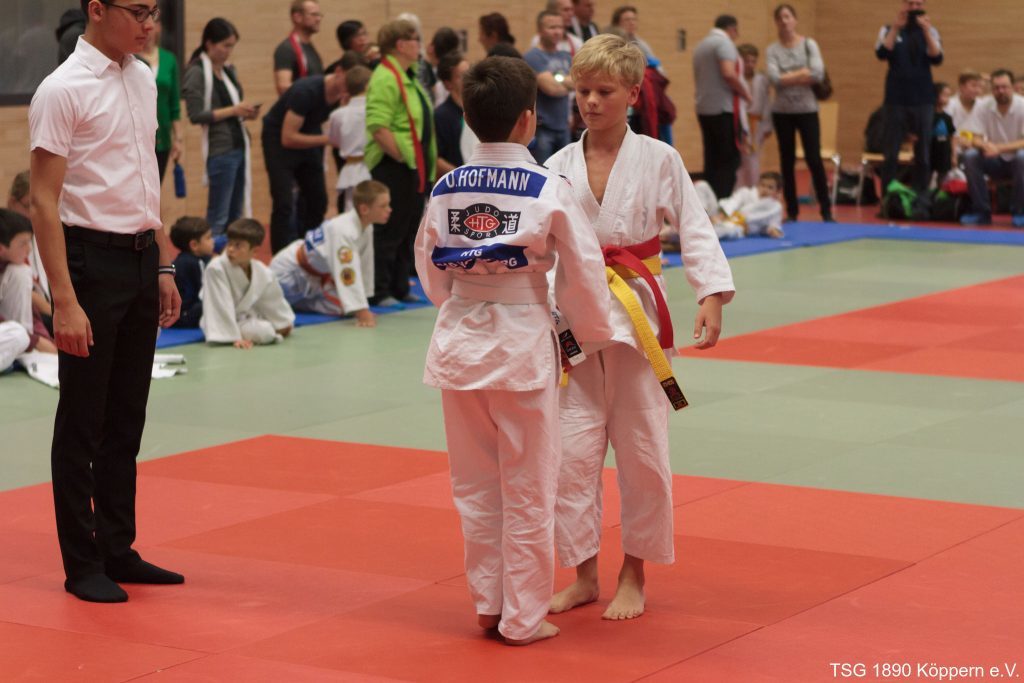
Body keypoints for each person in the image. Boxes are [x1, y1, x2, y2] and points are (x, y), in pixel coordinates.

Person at [415, 55, 613, 645]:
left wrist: (463, 301)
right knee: (528, 486)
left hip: (458, 343)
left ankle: (489, 604)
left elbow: (430, 269)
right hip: (522, 343)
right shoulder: (549, 186)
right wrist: (588, 335)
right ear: (529, 119)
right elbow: (583, 272)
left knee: (476, 486)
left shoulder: (447, 186)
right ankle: (523, 618)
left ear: (468, 119)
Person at [544, 34, 734, 621]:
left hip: (638, 317)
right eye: (582, 91)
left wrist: (710, 293)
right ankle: (583, 575)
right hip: (574, 322)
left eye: (603, 91)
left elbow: (695, 226)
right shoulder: (556, 165)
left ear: (632, 93)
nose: (590, 102)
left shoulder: (658, 158)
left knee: (642, 449)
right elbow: (539, 245)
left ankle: (634, 572)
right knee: (571, 455)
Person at [29, 0, 183, 603]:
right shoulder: (61, 89)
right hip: (89, 263)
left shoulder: (141, 78)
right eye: (139, 11)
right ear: (97, 9)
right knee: (83, 421)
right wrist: (64, 301)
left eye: (155, 12)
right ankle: (82, 561)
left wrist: (163, 263)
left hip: (142, 257)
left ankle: (119, 547)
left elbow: (147, 179)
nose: (150, 25)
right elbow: (44, 202)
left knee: (126, 417)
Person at [365, 19, 437, 307]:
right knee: (390, 227)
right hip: (395, 165)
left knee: (408, 227)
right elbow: (378, 126)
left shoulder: (408, 77)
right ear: (400, 44)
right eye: (415, 40)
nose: (419, 46)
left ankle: (399, 285)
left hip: (413, 166)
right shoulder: (385, 77)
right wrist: (402, 158)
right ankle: (379, 289)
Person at [271, 180, 390, 327]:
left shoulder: (366, 227)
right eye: (383, 206)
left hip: (315, 278)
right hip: (288, 273)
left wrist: (364, 302)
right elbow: (347, 272)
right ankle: (288, 302)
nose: (389, 210)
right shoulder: (343, 230)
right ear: (364, 209)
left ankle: (297, 302)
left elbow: (365, 265)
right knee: (271, 307)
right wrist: (361, 310)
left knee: (345, 307)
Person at [182, 18, 258, 245]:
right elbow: (196, 115)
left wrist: (245, 112)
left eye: (232, 46)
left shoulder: (228, 71)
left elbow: (233, 107)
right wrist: (234, 110)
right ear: (209, 43)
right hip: (221, 149)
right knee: (219, 216)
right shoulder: (196, 71)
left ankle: (232, 259)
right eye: (225, 45)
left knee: (236, 216)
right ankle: (210, 260)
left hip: (239, 145)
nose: (228, 51)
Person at [262, 68, 347, 254]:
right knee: (284, 202)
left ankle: (308, 251)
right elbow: (287, 138)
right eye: (348, 82)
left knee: (318, 200)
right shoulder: (306, 91)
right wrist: (328, 139)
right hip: (278, 140)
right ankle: (281, 256)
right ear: (339, 72)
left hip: (308, 134)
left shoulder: (342, 94)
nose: (349, 88)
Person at [767, 4, 833, 222]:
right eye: (780, 18)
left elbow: (817, 73)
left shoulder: (808, 44)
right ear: (776, 23)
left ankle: (826, 211)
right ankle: (792, 211)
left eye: (787, 17)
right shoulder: (772, 50)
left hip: (807, 110)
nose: (784, 21)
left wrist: (787, 77)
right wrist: (802, 73)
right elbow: (774, 79)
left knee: (814, 159)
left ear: (795, 20)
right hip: (782, 112)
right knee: (787, 161)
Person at [875, 0, 943, 195]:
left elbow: (937, 58)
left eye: (918, 4)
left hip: (923, 100)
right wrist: (896, 28)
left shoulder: (931, 30)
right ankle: (888, 199)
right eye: (910, 3)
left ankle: (921, 198)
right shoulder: (888, 28)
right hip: (895, 99)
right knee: (891, 153)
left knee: (923, 154)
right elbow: (881, 53)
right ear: (903, 4)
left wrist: (926, 31)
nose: (914, 8)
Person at [201, 219, 295, 347]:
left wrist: (282, 322)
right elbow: (219, 304)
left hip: (247, 318)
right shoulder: (216, 268)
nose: (230, 249)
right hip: (218, 321)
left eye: (238, 246)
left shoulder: (262, 271)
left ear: (254, 251)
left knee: (278, 326)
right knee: (265, 332)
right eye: (229, 243)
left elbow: (273, 301)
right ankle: (229, 333)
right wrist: (234, 337)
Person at [693, 15, 750, 199]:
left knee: (711, 158)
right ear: (732, 29)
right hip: (723, 109)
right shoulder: (724, 44)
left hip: (704, 109)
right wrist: (745, 93)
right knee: (729, 160)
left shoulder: (701, 46)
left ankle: (709, 201)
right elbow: (728, 73)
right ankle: (723, 201)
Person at [959, 70, 1024, 228]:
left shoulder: (1022, 106)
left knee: (1022, 157)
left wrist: (998, 148)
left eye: (1004, 87)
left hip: (1017, 162)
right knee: (970, 156)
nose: (1000, 91)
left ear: (1012, 87)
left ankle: (1019, 212)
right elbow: (972, 136)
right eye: (996, 88)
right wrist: (983, 144)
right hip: (993, 160)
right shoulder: (983, 105)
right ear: (991, 89)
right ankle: (981, 212)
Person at [0, 209, 57, 356]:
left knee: (20, 272)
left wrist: (42, 340)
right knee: (18, 336)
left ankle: (23, 353)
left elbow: (32, 316)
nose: (29, 249)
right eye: (23, 243)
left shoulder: (10, 268)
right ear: (1, 248)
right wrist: (35, 342)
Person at [137, 14, 183, 183]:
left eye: (154, 22)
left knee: (156, 187)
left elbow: (174, 103)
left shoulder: (169, 59)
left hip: (163, 136)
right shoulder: (131, 58)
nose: (149, 28)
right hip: (138, 135)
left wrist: (178, 138)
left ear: (159, 27)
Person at [524, 11, 575, 163]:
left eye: (560, 27)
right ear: (540, 30)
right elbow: (552, 89)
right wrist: (567, 82)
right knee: (543, 170)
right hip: (543, 129)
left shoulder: (566, 56)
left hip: (564, 126)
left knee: (565, 171)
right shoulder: (533, 56)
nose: (557, 31)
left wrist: (558, 79)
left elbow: (578, 82)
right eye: (552, 27)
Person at [327, 66, 373, 211]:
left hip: (351, 171)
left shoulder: (338, 114)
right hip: (375, 168)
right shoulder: (376, 110)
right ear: (368, 85)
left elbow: (334, 141)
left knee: (352, 214)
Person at [694, 172, 786, 240]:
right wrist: (722, 215)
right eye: (763, 185)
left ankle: (697, 233)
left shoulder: (775, 207)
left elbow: (772, 224)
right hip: (719, 215)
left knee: (726, 231)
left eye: (770, 187)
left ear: (777, 191)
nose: (765, 189)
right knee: (702, 185)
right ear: (758, 184)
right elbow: (733, 202)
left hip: (737, 226)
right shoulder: (746, 192)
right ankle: (702, 218)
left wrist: (773, 230)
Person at [736, 44, 773, 189]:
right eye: (746, 61)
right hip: (739, 123)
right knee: (739, 160)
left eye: (753, 61)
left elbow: (767, 102)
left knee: (753, 159)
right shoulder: (736, 79)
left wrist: (768, 125)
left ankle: (753, 189)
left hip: (756, 124)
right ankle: (738, 191)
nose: (750, 64)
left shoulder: (761, 79)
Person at [434, 52, 477, 174]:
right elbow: (436, 159)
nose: (469, 79)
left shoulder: (479, 109)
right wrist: (462, 175)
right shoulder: (441, 116)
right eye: (462, 76)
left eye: (470, 72)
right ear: (448, 84)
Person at [169, 217, 214, 329]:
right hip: (184, 316)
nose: (213, 241)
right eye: (208, 238)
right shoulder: (188, 263)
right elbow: (201, 293)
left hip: (189, 310)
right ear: (194, 245)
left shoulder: (200, 258)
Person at [273, 0, 324, 96]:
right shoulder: (286, 49)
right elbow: (283, 87)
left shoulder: (309, 47)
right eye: (314, 14)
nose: (318, 19)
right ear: (297, 17)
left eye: (319, 15)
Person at [931, 82, 956, 180]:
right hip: (930, 153)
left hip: (944, 153)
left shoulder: (947, 117)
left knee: (942, 178)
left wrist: (953, 156)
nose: (947, 99)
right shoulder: (928, 116)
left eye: (948, 96)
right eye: (944, 95)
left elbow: (952, 136)